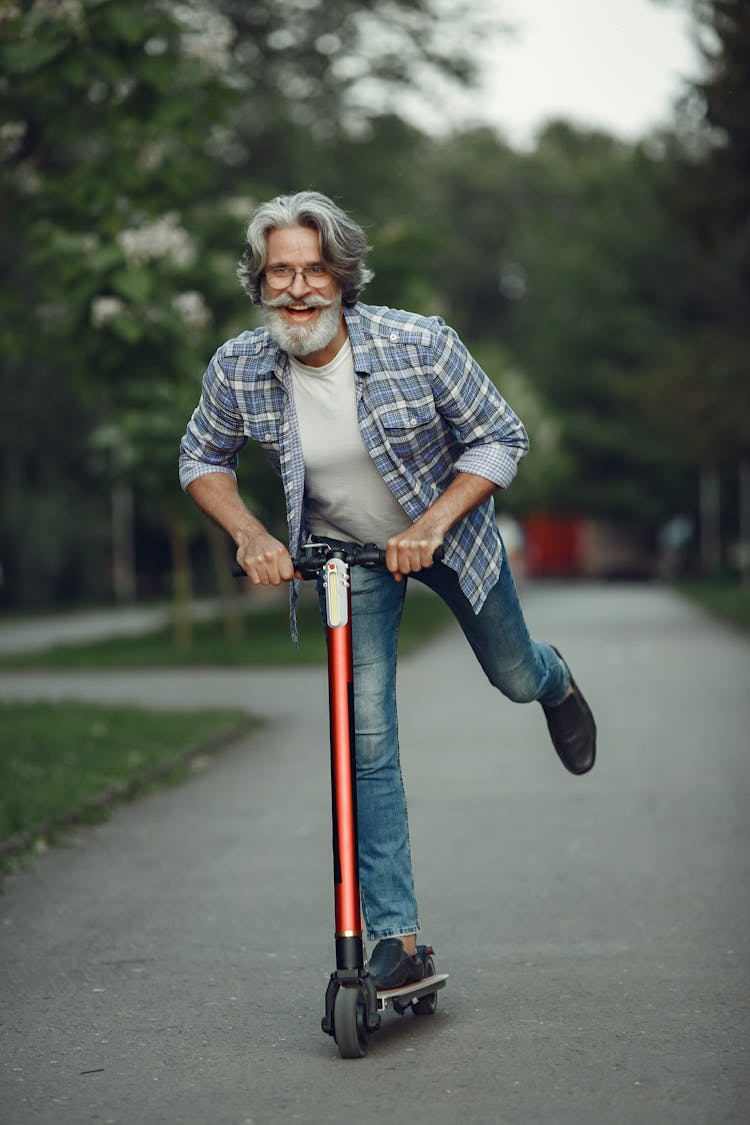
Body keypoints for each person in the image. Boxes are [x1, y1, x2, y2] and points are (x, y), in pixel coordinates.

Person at [179, 190, 596, 990]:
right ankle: (397, 940)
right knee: (365, 743)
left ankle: (556, 679)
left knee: (511, 675)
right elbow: (201, 457)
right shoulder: (239, 364)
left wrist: (431, 524)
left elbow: (501, 435)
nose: (297, 289)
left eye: (314, 270)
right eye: (279, 273)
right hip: (347, 561)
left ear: (343, 275)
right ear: (259, 283)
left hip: (449, 536)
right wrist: (252, 532)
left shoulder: (419, 343)